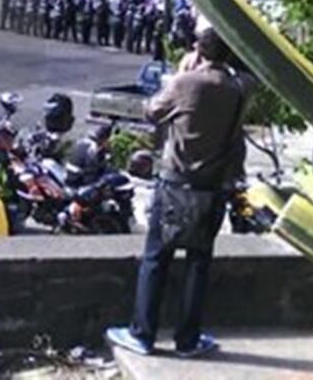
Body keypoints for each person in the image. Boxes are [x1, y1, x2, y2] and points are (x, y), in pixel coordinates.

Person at [106, 27, 255, 358]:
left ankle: (143, 333)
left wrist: (182, 73)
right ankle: (188, 339)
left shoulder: (186, 83)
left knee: (156, 259)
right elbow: (247, 75)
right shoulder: (240, 88)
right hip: (212, 187)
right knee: (198, 263)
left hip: (176, 184)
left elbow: (151, 111)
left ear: (199, 51)